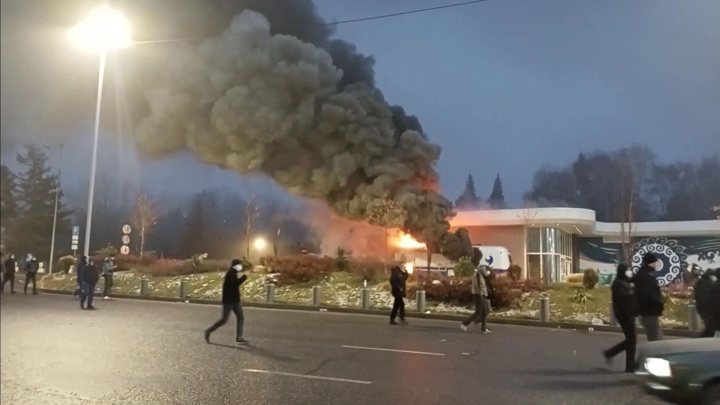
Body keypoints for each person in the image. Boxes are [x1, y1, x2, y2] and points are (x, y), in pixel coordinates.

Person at [205, 259, 249, 346]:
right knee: (224, 320)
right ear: (235, 266)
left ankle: (239, 338)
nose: (240, 267)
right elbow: (235, 284)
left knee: (241, 317)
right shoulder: (230, 274)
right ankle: (209, 330)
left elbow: (234, 286)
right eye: (239, 265)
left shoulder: (233, 273)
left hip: (235, 301)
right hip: (229, 302)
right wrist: (245, 276)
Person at [603, 263, 637, 372]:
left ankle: (611, 353)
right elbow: (623, 297)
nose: (629, 272)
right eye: (627, 270)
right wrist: (633, 292)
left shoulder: (625, 280)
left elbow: (634, 280)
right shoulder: (617, 283)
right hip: (623, 314)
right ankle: (629, 365)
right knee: (632, 340)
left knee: (631, 340)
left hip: (628, 313)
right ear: (622, 271)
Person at [633, 253, 664, 341]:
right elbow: (649, 295)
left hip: (644, 312)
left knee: (656, 337)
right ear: (651, 263)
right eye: (656, 262)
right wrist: (659, 305)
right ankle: (654, 354)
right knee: (655, 340)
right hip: (650, 312)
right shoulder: (647, 278)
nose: (657, 264)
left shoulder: (641, 275)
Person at [461, 249, 493, 334]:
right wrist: (482, 294)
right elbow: (479, 286)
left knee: (485, 311)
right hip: (479, 295)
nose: (487, 272)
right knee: (479, 312)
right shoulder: (478, 275)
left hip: (482, 295)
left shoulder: (481, 275)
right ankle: (465, 323)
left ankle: (483, 328)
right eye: (486, 271)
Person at [695, 268, 716, 338]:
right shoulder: (706, 283)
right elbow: (705, 297)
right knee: (710, 327)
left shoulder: (702, 282)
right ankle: (700, 339)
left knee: (710, 327)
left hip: (703, 308)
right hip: (706, 308)